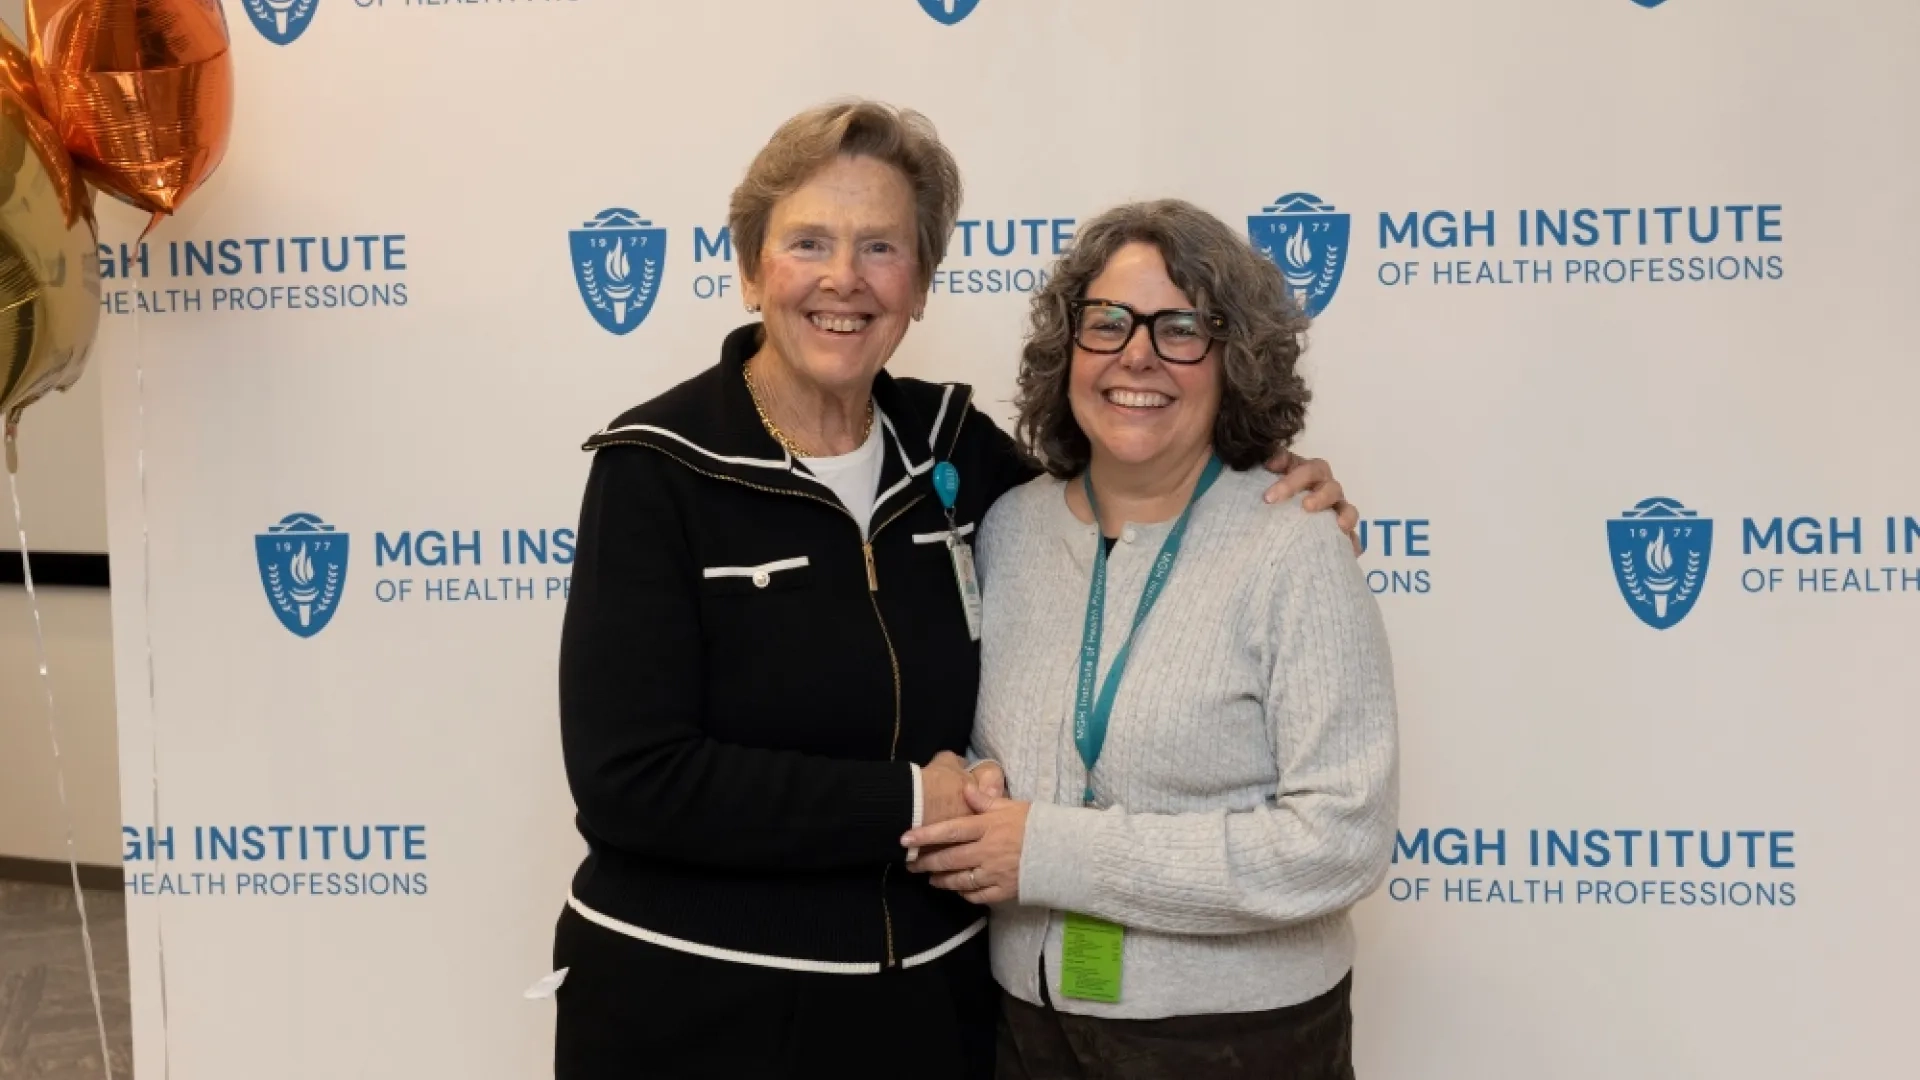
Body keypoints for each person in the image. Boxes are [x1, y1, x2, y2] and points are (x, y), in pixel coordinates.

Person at [549, 102, 1360, 1080]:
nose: (843, 277)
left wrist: (1265, 478)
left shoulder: (958, 454)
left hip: (926, 1011)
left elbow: (1131, 467)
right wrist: (906, 798)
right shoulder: (659, 468)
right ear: (753, 267)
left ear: (922, 284)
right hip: (699, 1004)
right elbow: (630, 781)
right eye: (809, 241)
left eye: (881, 246)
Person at [902, 200, 1400, 1080]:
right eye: (1108, 323)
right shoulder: (1006, 529)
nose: (1137, 354)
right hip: (1024, 1024)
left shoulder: (1294, 543)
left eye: (1181, 327)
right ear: (1069, 350)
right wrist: (979, 782)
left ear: (1233, 360)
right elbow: (991, 726)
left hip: (1237, 1040)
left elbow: (1340, 840)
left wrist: (1054, 852)